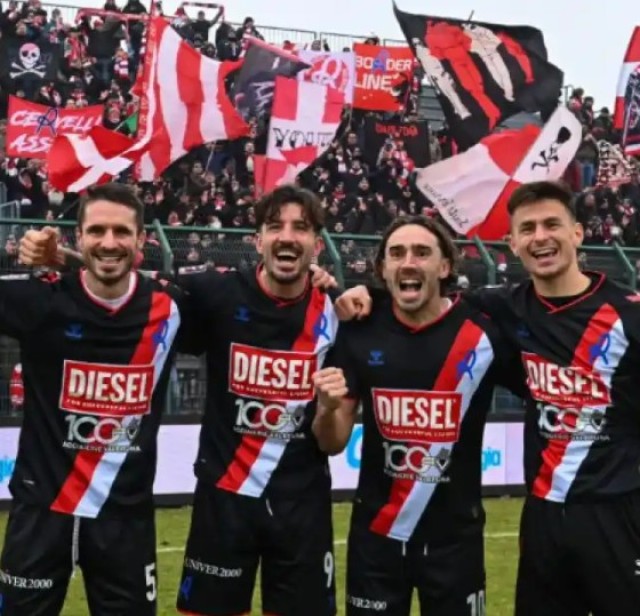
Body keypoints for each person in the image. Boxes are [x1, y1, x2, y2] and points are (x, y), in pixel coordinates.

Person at [20, 184, 347, 616]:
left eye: (300, 228)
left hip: (303, 505)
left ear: (317, 244)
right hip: (223, 500)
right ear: (257, 240)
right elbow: (125, 281)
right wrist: (62, 256)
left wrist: (353, 300)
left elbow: (334, 440)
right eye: (274, 226)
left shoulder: (340, 313)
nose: (287, 236)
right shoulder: (215, 293)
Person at [336, 180, 640, 616]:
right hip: (543, 517)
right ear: (512, 243)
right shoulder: (503, 309)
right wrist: (369, 292)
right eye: (527, 228)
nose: (540, 237)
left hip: (617, 513)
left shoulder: (629, 314)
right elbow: (426, 295)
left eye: (552, 224)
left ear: (577, 233)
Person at [313, 215, 522, 616]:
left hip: (455, 541)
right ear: (383, 269)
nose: (408, 262)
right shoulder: (360, 330)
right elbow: (331, 441)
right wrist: (326, 407)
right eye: (397, 253)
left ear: (445, 266)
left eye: (422, 252)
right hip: (377, 538)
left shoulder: (483, 334)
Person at [0, 183, 188, 615]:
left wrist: (329, 283)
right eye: (97, 231)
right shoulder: (40, 301)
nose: (109, 241)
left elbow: (260, 296)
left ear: (142, 240)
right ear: (79, 236)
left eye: (122, 232)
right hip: (42, 511)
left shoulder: (172, 307)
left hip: (125, 518)